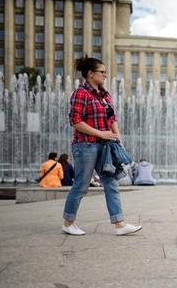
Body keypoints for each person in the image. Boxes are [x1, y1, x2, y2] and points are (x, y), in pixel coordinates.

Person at [61, 56, 142, 236]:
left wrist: (118, 138)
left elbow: (111, 118)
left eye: (105, 72)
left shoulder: (105, 95)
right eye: (102, 72)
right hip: (85, 146)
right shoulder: (80, 93)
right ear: (90, 74)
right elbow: (75, 121)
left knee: (111, 182)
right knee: (81, 185)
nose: (105, 75)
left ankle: (119, 224)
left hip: (105, 147)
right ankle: (68, 222)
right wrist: (101, 133)